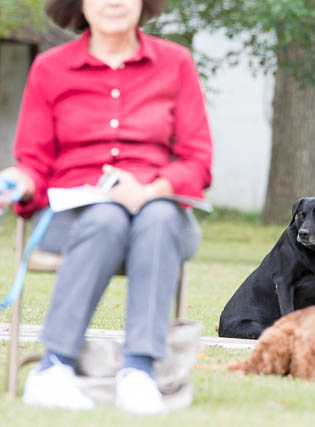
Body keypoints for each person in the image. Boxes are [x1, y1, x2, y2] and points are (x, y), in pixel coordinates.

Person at [0, 0, 213, 414]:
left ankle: (139, 373)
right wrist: (16, 182)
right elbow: (35, 163)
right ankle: (53, 369)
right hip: (73, 216)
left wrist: (150, 191)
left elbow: (197, 160)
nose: (113, 1)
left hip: (158, 214)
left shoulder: (175, 63)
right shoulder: (50, 69)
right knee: (105, 217)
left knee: (158, 215)